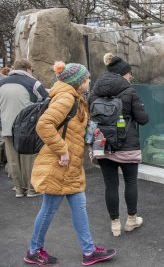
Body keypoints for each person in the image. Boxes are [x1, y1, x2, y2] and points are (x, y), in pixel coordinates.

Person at [24, 61, 116, 266]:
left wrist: (91, 134)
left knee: (79, 206)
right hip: (59, 163)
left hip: (70, 167)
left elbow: (70, 128)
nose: (89, 81)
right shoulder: (66, 97)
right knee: (48, 208)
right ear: (78, 81)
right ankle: (33, 250)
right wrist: (62, 150)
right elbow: (44, 124)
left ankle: (89, 251)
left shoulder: (74, 97)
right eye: (87, 78)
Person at [89, 54, 149, 237]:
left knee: (110, 185)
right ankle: (131, 220)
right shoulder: (129, 92)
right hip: (127, 145)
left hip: (103, 144)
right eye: (130, 73)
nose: (131, 77)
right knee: (130, 182)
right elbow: (144, 120)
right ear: (123, 73)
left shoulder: (94, 92)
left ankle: (115, 224)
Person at [0, 59, 48, 197]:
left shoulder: (1, 83)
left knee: (13, 160)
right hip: (27, 129)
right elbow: (46, 101)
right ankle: (32, 189)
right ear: (28, 69)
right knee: (28, 159)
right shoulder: (33, 83)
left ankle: (19, 189)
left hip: (7, 128)